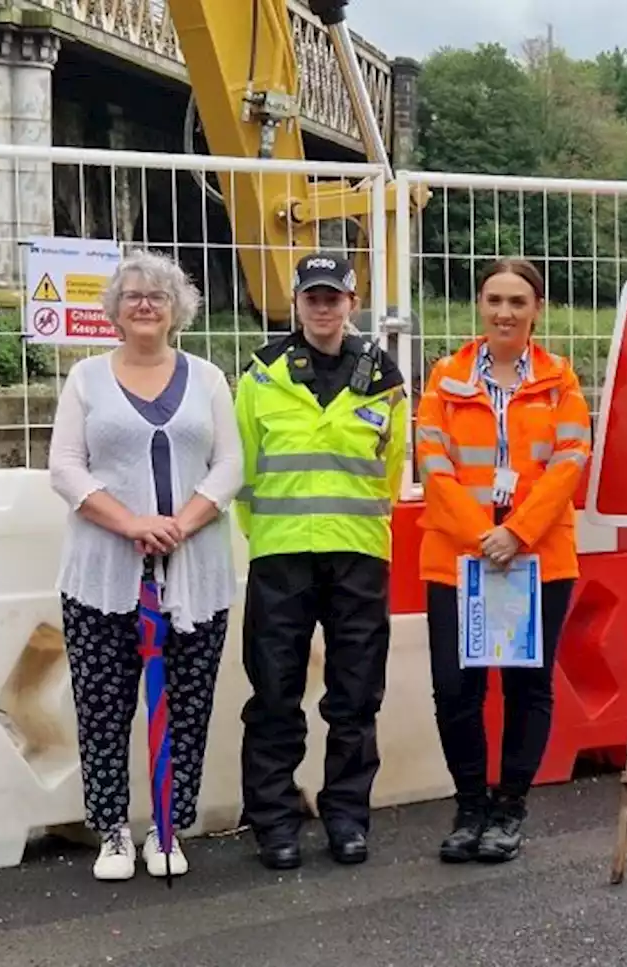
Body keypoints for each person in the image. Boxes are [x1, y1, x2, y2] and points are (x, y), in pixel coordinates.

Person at [47, 249, 244, 881]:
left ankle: (167, 825)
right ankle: (111, 831)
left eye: (157, 296)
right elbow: (65, 467)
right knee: (102, 708)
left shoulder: (208, 379)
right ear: (114, 310)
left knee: (187, 704)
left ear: (176, 309)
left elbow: (230, 466)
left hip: (194, 571)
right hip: (102, 573)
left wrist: (180, 525)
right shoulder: (86, 380)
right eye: (132, 295)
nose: (144, 304)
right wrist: (132, 523)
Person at [234, 251, 408, 870]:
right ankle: (275, 821)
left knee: (356, 695)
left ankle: (346, 817)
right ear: (298, 303)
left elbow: (389, 469)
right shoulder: (260, 376)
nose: (323, 306)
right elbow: (245, 470)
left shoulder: (384, 379)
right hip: (281, 555)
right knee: (275, 694)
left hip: (358, 554)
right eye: (313, 296)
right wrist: (270, 534)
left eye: (334, 297)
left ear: (351, 303)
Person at [414, 257, 591, 863]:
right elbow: (433, 465)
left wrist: (514, 533)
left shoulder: (561, 380)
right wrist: (480, 535)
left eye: (518, 301)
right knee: (454, 689)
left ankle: (509, 807)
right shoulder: (444, 378)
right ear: (479, 306)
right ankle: (469, 807)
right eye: (494, 300)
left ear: (536, 309)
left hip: (536, 559)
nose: (505, 312)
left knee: (526, 686)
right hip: (456, 560)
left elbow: (569, 462)